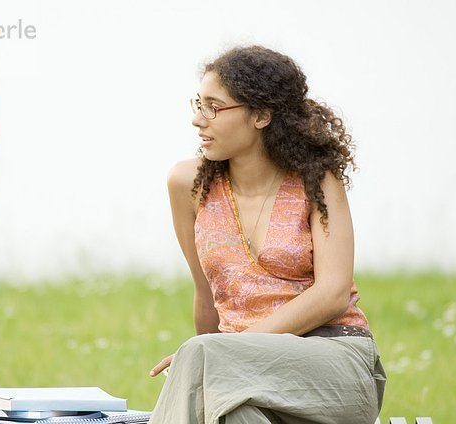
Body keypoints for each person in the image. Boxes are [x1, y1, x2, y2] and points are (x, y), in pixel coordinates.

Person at [148, 46, 386, 424]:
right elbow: (207, 295)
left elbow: (333, 292)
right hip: (238, 373)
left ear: (261, 115)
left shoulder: (317, 181)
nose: (197, 119)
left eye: (213, 106)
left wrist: (217, 352)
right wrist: (215, 360)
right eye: (198, 103)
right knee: (234, 415)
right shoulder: (187, 184)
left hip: (333, 364)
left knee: (200, 354)